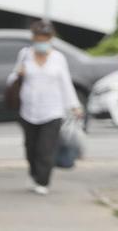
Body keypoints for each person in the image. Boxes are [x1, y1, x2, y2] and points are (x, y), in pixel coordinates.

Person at [8, 20, 83, 195]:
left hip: (52, 110)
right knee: (31, 147)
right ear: (34, 38)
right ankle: (34, 174)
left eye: (45, 38)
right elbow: (11, 80)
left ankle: (43, 180)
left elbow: (65, 83)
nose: (42, 42)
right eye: (39, 38)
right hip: (28, 110)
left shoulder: (58, 58)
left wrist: (74, 106)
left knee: (46, 148)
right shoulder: (25, 55)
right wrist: (19, 74)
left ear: (51, 38)